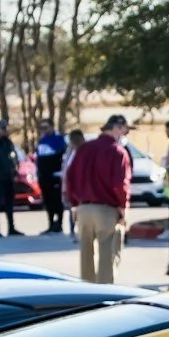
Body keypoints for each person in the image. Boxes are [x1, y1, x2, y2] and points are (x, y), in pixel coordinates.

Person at [65, 113, 133, 282]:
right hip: (106, 209)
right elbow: (120, 184)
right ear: (117, 128)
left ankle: (88, 293)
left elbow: (70, 177)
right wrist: (123, 208)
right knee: (107, 256)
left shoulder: (84, 148)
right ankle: (105, 295)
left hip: (83, 208)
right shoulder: (117, 151)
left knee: (86, 255)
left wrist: (74, 204)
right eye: (124, 131)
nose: (124, 136)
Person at [34, 123, 67, 232]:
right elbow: (39, 158)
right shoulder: (42, 140)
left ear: (52, 127)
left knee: (57, 200)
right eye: (42, 128)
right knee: (47, 200)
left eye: (46, 127)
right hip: (44, 175)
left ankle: (59, 223)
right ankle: (51, 223)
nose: (44, 130)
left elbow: (59, 154)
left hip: (55, 175)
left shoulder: (58, 139)